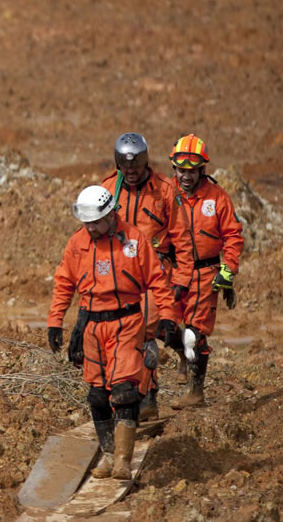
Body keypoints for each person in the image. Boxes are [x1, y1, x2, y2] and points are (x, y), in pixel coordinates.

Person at [48, 185, 178, 481]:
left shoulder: (134, 240)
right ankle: (107, 455)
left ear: (109, 215)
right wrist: (55, 321)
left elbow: (158, 281)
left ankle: (122, 460)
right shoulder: (78, 243)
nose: (90, 228)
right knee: (97, 396)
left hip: (127, 323)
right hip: (91, 327)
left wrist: (167, 317)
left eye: (95, 222)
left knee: (125, 392)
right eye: (86, 222)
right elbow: (64, 282)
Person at [99, 133, 180, 421]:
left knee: (143, 332)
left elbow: (180, 236)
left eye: (136, 166)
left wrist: (182, 278)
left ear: (145, 161)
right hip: (119, 274)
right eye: (125, 166)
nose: (131, 172)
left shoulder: (164, 191)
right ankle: (124, 393)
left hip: (155, 272)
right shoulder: (108, 189)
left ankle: (145, 396)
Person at [166, 134, 244, 409]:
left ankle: (195, 392)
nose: (186, 176)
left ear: (202, 169)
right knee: (165, 326)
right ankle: (183, 356)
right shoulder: (166, 193)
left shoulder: (217, 197)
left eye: (192, 171)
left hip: (205, 274)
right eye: (181, 170)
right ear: (174, 168)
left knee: (195, 333)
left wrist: (228, 270)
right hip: (173, 272)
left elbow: (233, 235)